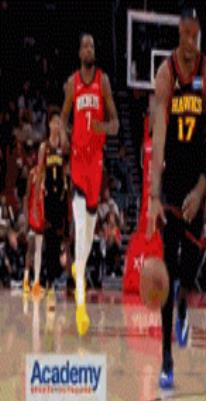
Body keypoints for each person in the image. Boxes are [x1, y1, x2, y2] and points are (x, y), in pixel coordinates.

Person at [147, 7, 206, 390]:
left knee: (189, 271)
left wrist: (204, 184)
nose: (189, 41)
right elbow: (158, 137)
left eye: (194, 34)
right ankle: (166, 358)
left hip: (197, 183)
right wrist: (154, 195)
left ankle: (183, 302)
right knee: (168, 269)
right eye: (184, 34)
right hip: (173, 185)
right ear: (178, 34)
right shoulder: (166, 74)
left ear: (199, 35)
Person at [60, 33, 119, 336]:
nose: (88, 49)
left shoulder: (103, 81)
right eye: (84, 45)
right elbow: (63, 118)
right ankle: (81, 306)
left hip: (96, 164)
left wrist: (101, 126)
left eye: (92, 46)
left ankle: (78, 267)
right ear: (79, 52)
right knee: (81, 228)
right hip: (78, 164)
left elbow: (116, 124)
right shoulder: (72, 83)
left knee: (88, 235)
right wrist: (65, 137)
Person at [35, 107, 69, 311]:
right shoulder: (44, 147)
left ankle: (55, 280)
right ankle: (47, 281)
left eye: (59, 122)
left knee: (58, 240)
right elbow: (40, 173)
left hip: (61, 198)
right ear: (48, 124)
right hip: (48, 198)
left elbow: (66, 169)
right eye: (54, 122)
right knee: (49, 240)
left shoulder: (62, 147)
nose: (56, 125)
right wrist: (37, 203)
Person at [23, 164, 44, 300]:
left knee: (39, 249)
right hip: (33, 212)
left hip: (41, 213)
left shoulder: (49, 173)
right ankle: (26, 279)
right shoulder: (33, 173)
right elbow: (26, 196)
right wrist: (27, 217)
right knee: (31, 247)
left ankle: (36, 282)